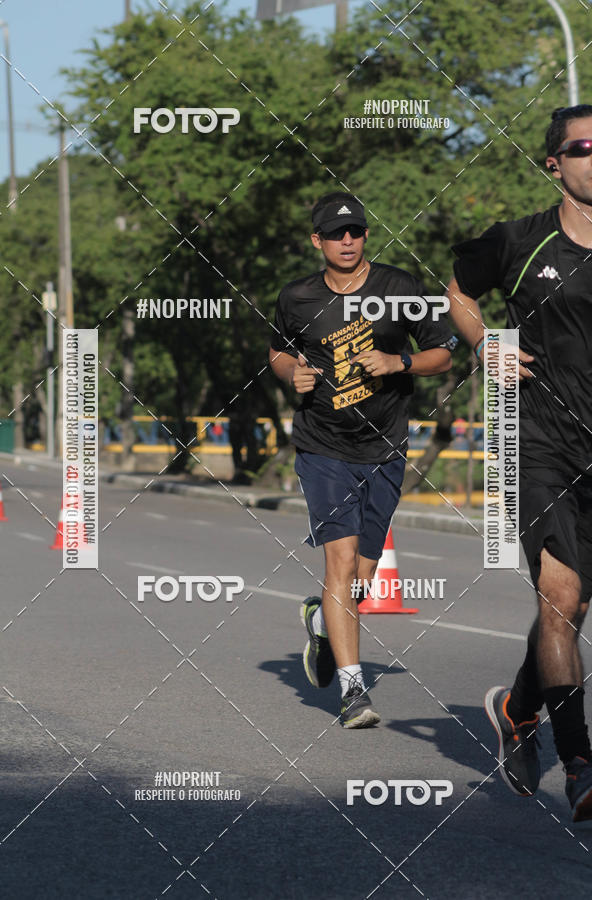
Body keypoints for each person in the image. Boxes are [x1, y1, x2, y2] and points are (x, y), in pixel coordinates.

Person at [447, 105, 592, 821]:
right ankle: (582, 764)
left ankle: (516, 708)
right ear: (554, 163)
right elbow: (459, 291)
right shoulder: (518, 241)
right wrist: (487, 344)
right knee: (560, 599)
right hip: (538, 444)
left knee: (573, 605)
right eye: (584, 147)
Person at [269, 191, 455, 727]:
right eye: (335, 234)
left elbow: (443, 353)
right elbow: (279, 350)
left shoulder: (400, 288)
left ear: (366, 236)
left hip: (385, 447)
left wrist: (400, 361)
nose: (346, 241)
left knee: (361, 580)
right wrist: (291, 375)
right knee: (341, 561)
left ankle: (323, 623)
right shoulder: (298, 296)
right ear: (317, 241)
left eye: (354, 232)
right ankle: (354, 692)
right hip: (322, 445)